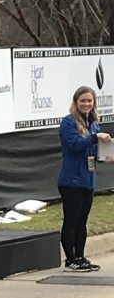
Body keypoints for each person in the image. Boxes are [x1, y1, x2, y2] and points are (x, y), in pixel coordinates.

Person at [58, 85, 111, 272]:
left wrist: (105, 156)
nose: (86, 104)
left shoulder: (94, 123)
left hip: (88, 179)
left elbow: (93, 151)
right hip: (71, 179)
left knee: (82, 221)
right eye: (83, 101)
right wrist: (95, 137)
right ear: (76, 102)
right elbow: (74, 145)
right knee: (71, 220)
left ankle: (80, 257)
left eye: (89, 100)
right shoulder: (68, 122)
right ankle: (70, 260)